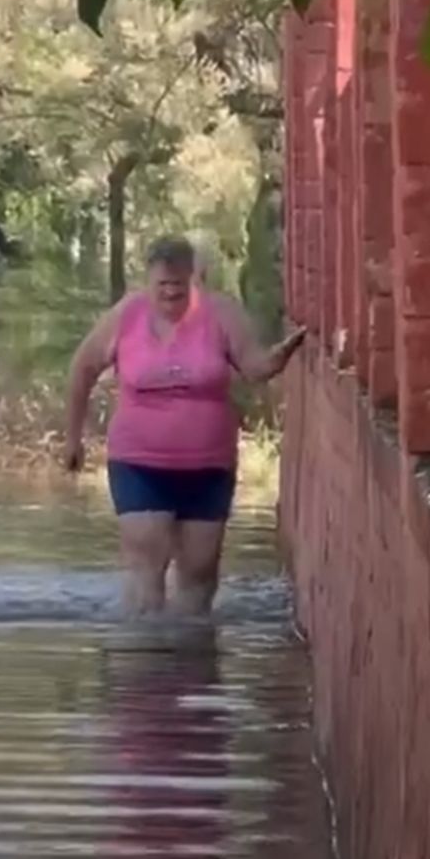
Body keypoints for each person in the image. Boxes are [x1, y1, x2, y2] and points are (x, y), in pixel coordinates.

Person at [60, 235, 307, 618]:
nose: (171, 292)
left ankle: (189, 652)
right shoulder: (127, 316)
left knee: (199, 573)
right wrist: (73, 439)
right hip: (139, 463)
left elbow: (254, 367)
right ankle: (145, 649)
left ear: (195, 278)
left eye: (180, 284)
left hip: (208, 467)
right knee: (147, 560)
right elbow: (82, 368)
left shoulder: (222, 313)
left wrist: (279, 356)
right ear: (148, 280)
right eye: (163, 284)